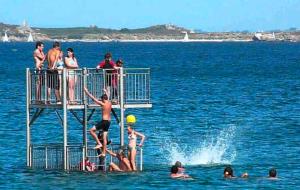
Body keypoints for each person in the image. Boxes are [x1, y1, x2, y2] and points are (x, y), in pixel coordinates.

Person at [84, 87, 112, 158]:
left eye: (101, 100)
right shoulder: (109, 103)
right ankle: (104, 153)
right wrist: (105, 92)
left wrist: (86, 91)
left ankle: (99, 143)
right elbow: (107, 97)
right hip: (108, 122)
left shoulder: (103, 104)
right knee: (105, 138)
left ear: (103, 99)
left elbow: (93, 98)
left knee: (91, 131)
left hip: (104, 121)